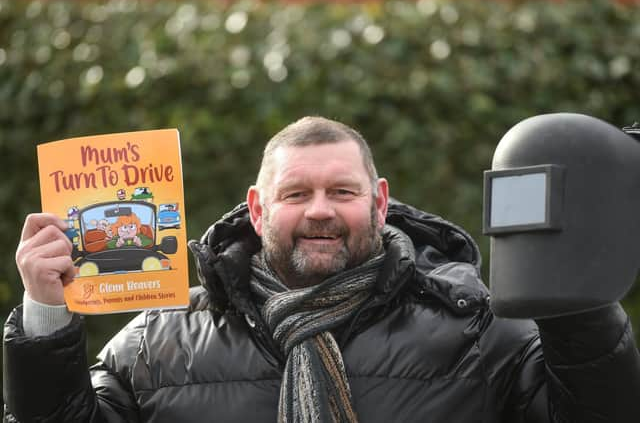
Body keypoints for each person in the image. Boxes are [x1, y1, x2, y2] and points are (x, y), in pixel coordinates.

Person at [4, 116, 640, 422]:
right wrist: (44, 311)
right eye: (295, 194)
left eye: (342, 191)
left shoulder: (476, 329)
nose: (320, 212)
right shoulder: (157, 343)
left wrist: (576, 292)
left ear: (380, 201)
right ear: (256, 209)